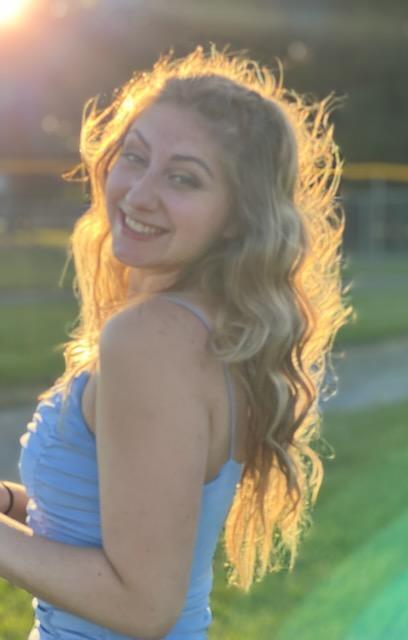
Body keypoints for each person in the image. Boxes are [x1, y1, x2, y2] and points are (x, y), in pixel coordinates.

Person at [0, 44, 352, 639]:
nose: (139, 193)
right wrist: (13, 505)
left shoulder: (154, 339)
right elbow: (111, 516)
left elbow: (143, 605)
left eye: (183, 178)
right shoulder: (207, 329)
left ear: (238, 216)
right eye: (135, 157)